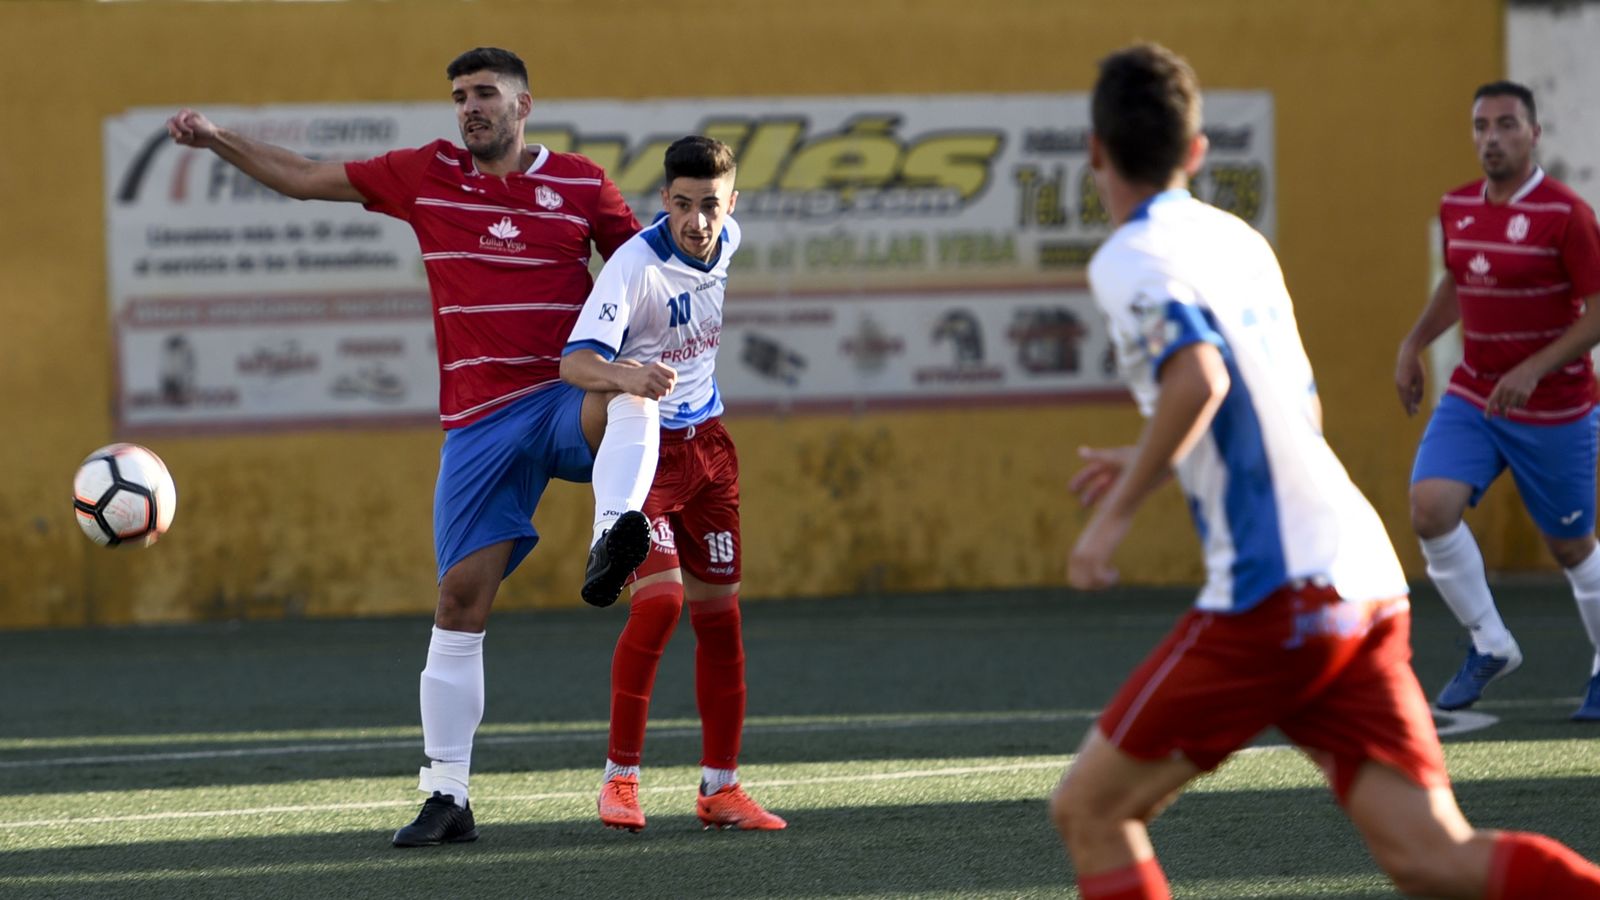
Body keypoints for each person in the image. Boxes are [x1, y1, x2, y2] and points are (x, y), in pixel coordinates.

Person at [1052, 43, 1600, 900]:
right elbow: (1287, 407)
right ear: (1197, 152)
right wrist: (1160, 454)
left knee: (1090, 810)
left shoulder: (1128, 256)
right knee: (1431, 856)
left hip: (1280, 593)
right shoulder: (1237, 238)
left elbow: (1199, 380)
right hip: (1365, 581)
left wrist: (1113, 515)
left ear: (1095, 150)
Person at [166, 47, 664, 847]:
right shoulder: (425, 174)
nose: (470, 107)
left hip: (562, 399)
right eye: (460, 96)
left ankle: (614, 534)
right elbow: (305, 177)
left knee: (631, 399)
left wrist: (651, 354)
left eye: (485, 93)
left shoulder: (580, 184)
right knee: (459, 602)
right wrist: (217, 137)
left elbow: (642, 276)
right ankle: (447, 796)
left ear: (523, 105)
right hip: (479, 424)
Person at [560, 136, 786, 832]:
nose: (697, 220)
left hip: (711, 451)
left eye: (710, 205)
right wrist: (628, 375)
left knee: (722, 621)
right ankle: (619, 781)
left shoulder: (728, 242)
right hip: (647, 450)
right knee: (659, 605)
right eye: (683, 204)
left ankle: (721, 788)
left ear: (732, 204)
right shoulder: (634, 265)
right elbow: (575, 363)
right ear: (664, 200)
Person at [1395, 80, 1600, 719]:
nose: (1493, 138)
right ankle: (1490, 642)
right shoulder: (1457, 206)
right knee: (1430, 508)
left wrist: (1534, 369)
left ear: (1534, 134)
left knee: (1571, 549)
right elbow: (1457, 282)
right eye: (1482, 126)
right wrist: (1413, 344)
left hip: (1555, 406)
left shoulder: (1566, 214)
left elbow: (1598, 313)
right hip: (1477, 394)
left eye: (1507, 124)